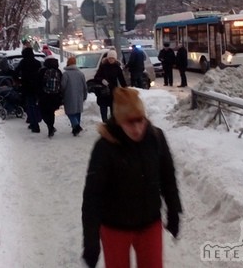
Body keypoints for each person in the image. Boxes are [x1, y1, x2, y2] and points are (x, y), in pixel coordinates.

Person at [82, 87, 182, 268]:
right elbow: (92, 196)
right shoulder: (105, 147)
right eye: (130, 123)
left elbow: (168, 177)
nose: (137, 128)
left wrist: (174, 210)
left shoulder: (156, 138)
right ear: (119, 121)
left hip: (149, 222)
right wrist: (91, 241)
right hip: (115, 227)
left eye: (140, 120)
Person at [93, 50, 127, 122]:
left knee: (113, 111)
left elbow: (121, 79)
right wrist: (102, 80)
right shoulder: (103, 66)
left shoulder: (117, 67)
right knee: (103, 110)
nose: (111, 60)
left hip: (113, 92)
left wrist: (126, 89)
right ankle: (105, 124)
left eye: (112, 58)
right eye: (109, 58)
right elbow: (96, 77)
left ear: (115, 59)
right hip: (103, 92)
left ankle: (112, 125)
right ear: (107, 58)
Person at [15, 47, 42, 132]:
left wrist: (19, 80)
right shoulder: (37, 63)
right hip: (37, 87)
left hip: (27, 87)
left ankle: (34, 125)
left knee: (30, 106)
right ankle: (34, 121)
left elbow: (16, 72)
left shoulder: (23, 63)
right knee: (36, 105)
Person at [61, 56, 88, 136]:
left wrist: (61, 94)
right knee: (77, 112)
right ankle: (75, 129)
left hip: (69, 96)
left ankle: (76, 126)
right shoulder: (80, 73)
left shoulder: (65, 74)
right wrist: (85, 95)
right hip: (79, 96)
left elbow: (63, 86)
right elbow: (85, 86)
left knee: (70, 113)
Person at [37, 55, 63, 138]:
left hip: (45, 96)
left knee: (43, 112)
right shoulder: (58, 71)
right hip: (55, 96)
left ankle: (50, 127)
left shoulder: (42, 71)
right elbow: (61, 84)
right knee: (52, 112)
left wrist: (39, 94)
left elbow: (39, 83)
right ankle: (51, 127)